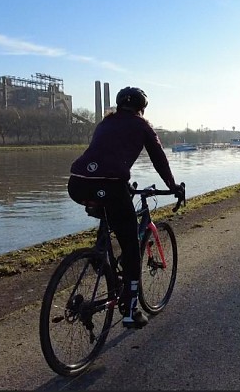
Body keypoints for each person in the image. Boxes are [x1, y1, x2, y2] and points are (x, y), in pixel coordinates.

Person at [68, 86, 181, 329]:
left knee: (111, 206)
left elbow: (104, 156)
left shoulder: (104, 123)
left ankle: (101, 255)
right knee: (131, 249)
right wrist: (173, 186)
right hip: (110, 185)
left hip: (78, 183)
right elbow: (159, 158)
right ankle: (130, 311)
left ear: (119, 105)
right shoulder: (142, 125)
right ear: (142, 108)